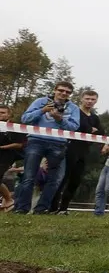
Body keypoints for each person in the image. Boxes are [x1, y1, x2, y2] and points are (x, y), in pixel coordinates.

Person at [12, 82, 81, 214]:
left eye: (67, 92)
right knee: (29, 176)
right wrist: (42, 110)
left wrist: (59, 119)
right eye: (61, 90)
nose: (64, 93)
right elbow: (25, 118)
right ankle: (21, 208)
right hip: (36, 140)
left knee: (54, 179)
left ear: (70, 94)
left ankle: (42, 208)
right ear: (55, 90)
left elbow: (74, 127)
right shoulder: (40, 101)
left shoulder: (73, 108)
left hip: (58, 143)